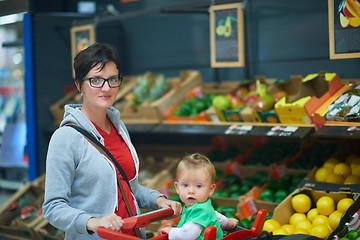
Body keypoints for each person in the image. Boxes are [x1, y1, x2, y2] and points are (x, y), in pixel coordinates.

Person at [42, 42, 182, 240]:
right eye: (96, 80)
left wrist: (157, 199)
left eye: (112, 79)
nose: (106, 88)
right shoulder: (66, 137)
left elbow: (129, 188)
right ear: (79, 85)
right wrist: (93, 222)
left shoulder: (118, 127)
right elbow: (53, 207)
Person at [160, 153, 239, 240]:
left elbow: (187, 236)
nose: (191, 191)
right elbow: (213, 215)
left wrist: (170, 231)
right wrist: (227, 222)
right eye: (185, 185)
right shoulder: (201, 206)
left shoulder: (199, 211)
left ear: (211, 189)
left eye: (198, 186)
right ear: (177, 187)